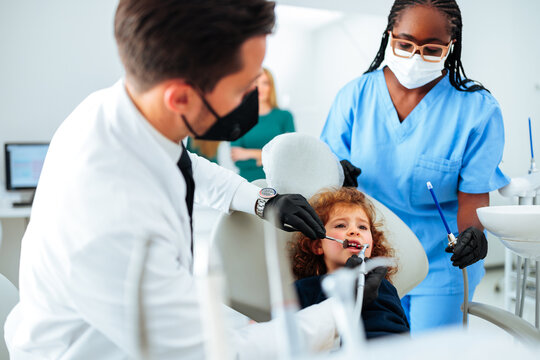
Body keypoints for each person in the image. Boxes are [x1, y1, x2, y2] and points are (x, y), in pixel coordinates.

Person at [3, 1, 340, 359]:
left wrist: (262, 199)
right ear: (180, 97)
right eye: (243, 88)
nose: (252, 99)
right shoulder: (116, 221)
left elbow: (186, 163)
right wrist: (337, 311)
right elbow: (220, 353)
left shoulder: (121, 111)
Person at [320, 0, 510, 334]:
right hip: (367, 258)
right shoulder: (356, 96)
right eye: (404, 44)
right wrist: (337, 176)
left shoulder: (477, 110)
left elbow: (473, 199)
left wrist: (473, 236)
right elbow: (327, 178)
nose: (414, 57)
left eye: (431, 49)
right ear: (388, 36)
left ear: (451, 48)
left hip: (440, 263)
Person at [291, 187, 410, 339]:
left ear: (372, 246)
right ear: (318, 245)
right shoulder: (304, 289)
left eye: (363, 227)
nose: (354, 231)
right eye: (340, 225)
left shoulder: (383, 286)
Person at [231, 68, 295, 182]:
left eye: (265, 83)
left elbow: (288, 155)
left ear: (271, 87)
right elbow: (238, 159)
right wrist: (271, 157)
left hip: (279, 183)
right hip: (247, 183)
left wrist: (250, 153)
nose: (260, 88)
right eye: (255, 82)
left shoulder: (285, 116)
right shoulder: (238, 118)